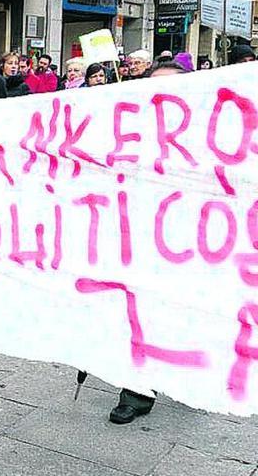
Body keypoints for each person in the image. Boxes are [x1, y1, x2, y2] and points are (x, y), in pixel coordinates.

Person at [108, 58, 188, 426]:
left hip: (191, 242)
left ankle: (190, 375)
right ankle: (137, 390)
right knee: (139, 315)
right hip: (140, 240)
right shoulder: (129, 127)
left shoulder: (206, 131)